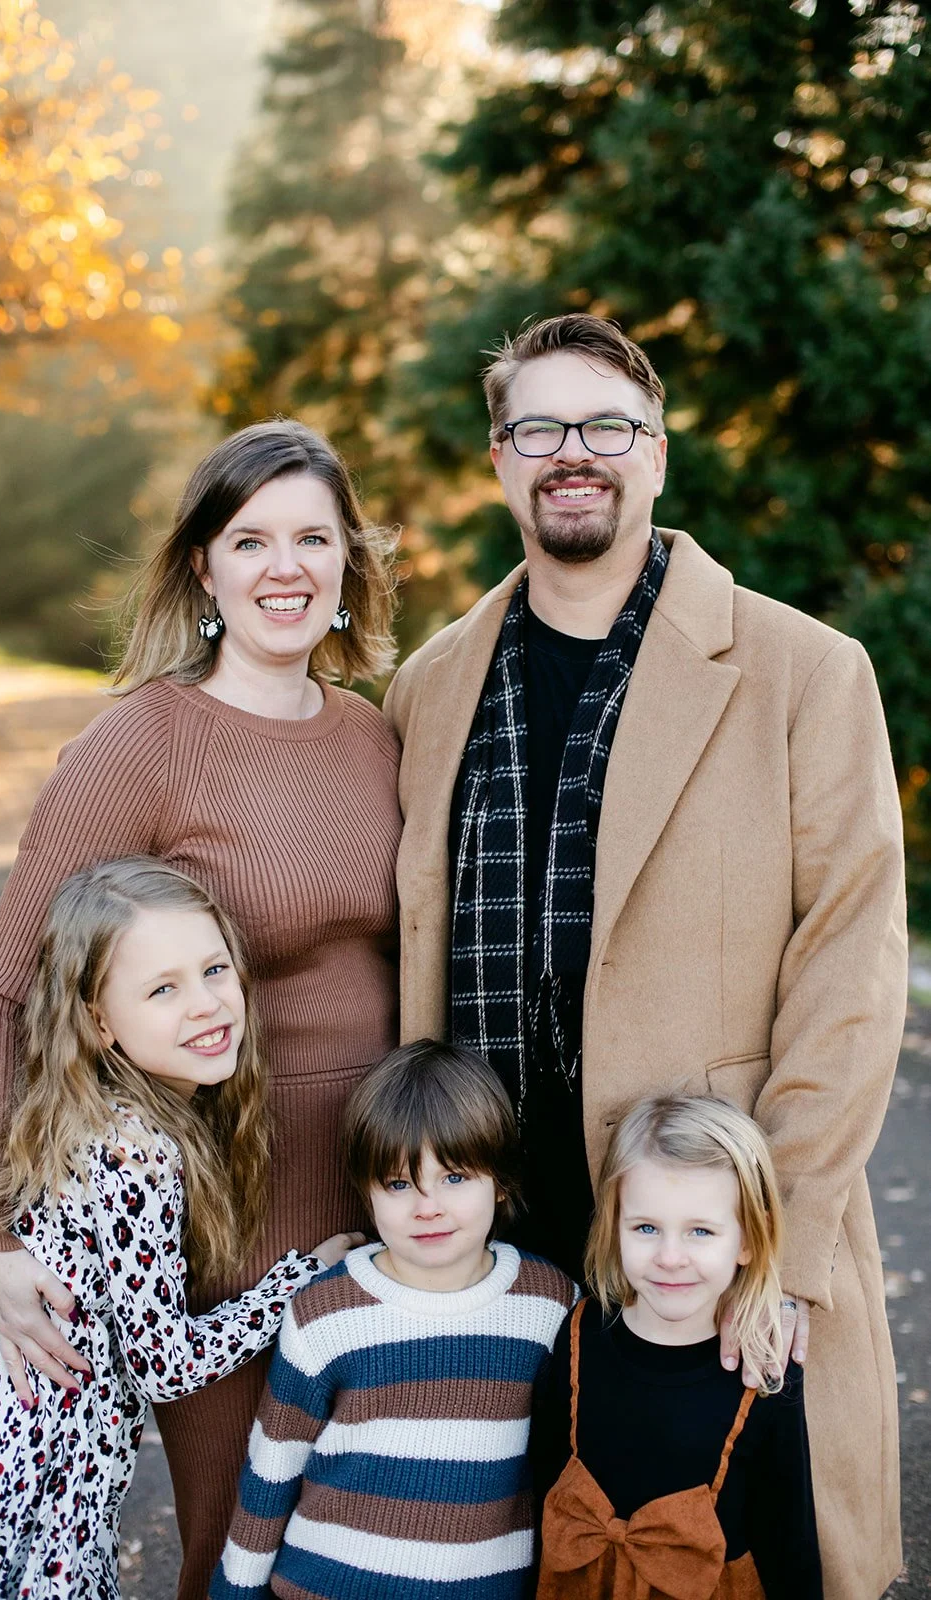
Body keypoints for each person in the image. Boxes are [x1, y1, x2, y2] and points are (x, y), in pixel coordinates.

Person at [382, 313, 906, 1600]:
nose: (576, 452)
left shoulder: (803, 673)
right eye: (541, 428)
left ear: (657, 455)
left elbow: (850, 975)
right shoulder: (429, 686)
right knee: (530, 1562)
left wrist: (765, 1251)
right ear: (501, 461)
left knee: (731, 1567)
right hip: (501, 1238)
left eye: (606, 425)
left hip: (697, 1246)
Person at [0, 420, 404, 1596]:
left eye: (313, 536)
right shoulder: (140, 745)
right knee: (243, 1544)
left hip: (389, 1192)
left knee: (385, 1534)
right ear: (204, 566)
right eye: (250, 540)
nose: (285, 566)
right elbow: (7, 993)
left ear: (350, 559)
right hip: (225, 1211)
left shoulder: (377, 732)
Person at [0, 858, 360, 1598]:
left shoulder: (86, 1112)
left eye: (214, 970)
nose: (206, 1005)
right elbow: (167, 1363)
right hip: (9, 1483)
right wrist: (302, 1278)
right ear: (99, 1022)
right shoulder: (136, 1152)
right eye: (163, 989)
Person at [211, 1039, 573, 1600]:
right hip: (327, 1586)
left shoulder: (548, 1305)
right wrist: (236, 1590)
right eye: (400, 1184)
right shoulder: (326, 1314)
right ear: (368, 1192)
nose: (427, 1206)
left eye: (454, 1177)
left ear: (499, 1181)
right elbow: (272, 1470)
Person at [532, 1094, 821, 1600]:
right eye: (646, 1228)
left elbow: (789, 1534)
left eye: (700, 1232)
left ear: (748, 1241)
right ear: (614, 1228)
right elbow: (542, 1482)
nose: (670, 1257)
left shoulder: (764, 1371)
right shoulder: (579, 1336)